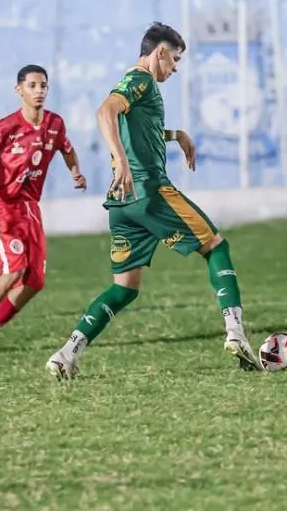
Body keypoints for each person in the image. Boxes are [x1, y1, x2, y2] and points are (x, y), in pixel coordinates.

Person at [45, 22, 261, 379]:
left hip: (122, 205)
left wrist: (176, 135)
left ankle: (67, 353)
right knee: (216, 247)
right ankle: (236, 332)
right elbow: (105, 111)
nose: (175, 68)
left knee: (123, 289)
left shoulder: (139, 90)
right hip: (149, 191)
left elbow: (137, 128)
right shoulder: (140, 79)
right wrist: (123, 161)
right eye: (174, 59)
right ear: (160, 52)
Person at [0, 64, 87, 355]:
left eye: (43, 85)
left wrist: (75, 172)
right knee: (13, 269)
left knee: (35, 280)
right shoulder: (5, 127)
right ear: (19, 90)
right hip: (2, 205)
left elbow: (67, 148)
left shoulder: (55, 124)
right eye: (32, 85)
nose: (39, 91)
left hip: (30, 208)